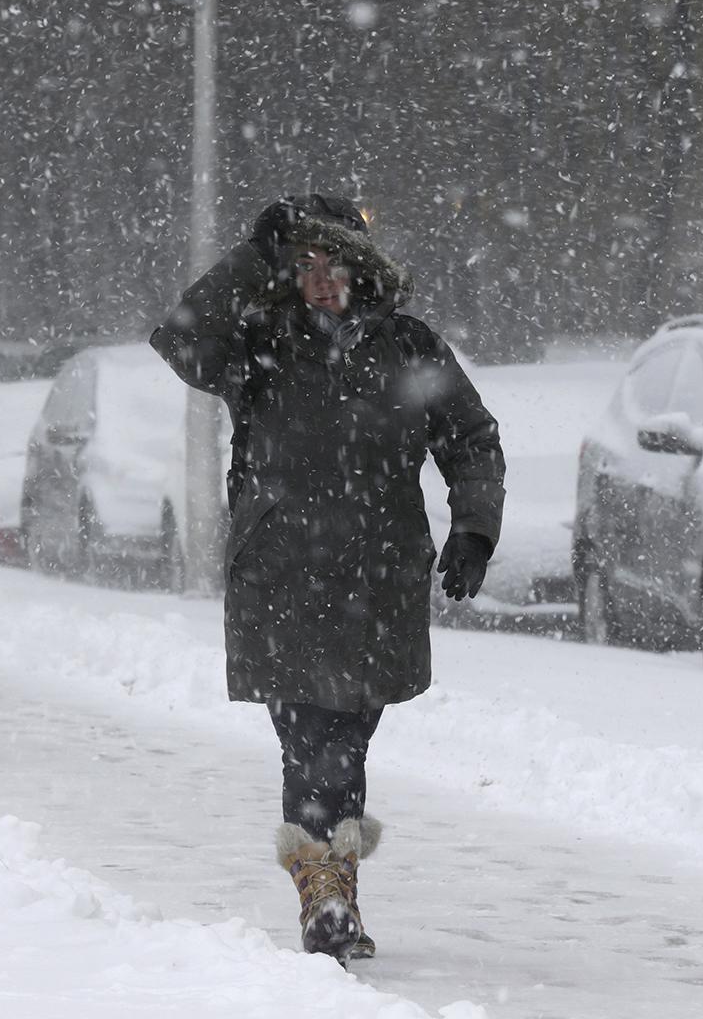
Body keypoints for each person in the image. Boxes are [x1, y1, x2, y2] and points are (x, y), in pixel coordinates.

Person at [149, 194, 505, 965]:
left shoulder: (408, 346)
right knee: (307, 740)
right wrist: (249, 255)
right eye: (303, 265)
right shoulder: (258, 344)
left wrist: (474, 528)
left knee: (349, 738)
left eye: (331, 263)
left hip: (378, 578)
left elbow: (470, 438)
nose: (318, 280)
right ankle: (326, 896)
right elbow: (177, 340)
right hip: (280, 573)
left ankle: (333, 887)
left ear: (360, 267)